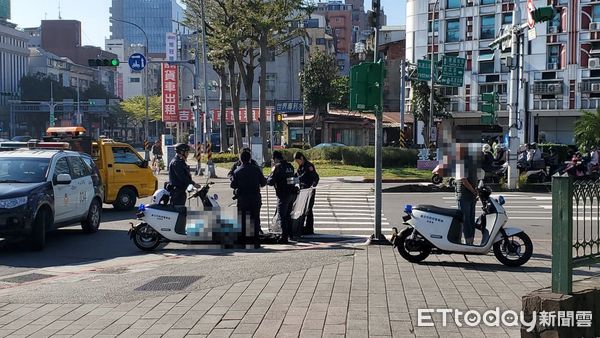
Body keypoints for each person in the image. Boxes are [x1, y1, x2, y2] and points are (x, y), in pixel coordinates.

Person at [231, 151, 267, 248]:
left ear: (241, 159)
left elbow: (233, 185)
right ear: (250, 158)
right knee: (255, 219)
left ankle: (243, 242)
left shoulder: (237, 171)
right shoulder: (256, 169)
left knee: (242, 220)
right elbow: (263, 182)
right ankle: (255, 242)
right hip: (255, 198)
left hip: (243, 199)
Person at [267, 151, 297, 244]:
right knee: (288, 215)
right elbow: (293, 179)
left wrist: (267, 178)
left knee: (282, 216)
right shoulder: (290, 166)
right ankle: (291, 234)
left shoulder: (277, 167)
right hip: (292, 194)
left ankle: (284, 237)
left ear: (275, 158)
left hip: (282, 194)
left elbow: (270, 182)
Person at [455, 144, 479, 245]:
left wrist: (473, 191)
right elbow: (476, 178)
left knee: (465, 219)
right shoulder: (473, 162)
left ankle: (467, 240)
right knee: (470, 218)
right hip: (472, 195)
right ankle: (471, 240)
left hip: (464, 195)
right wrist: (475, 190)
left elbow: (464, 180)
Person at [294, 151, 319, 235]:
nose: (297, 162)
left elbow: (316, 177)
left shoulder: (309, 166)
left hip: (309, 190)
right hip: (302, 190)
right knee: (303, 209)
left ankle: (309, 228)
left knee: (309, 209)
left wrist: (313, 186)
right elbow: (296, 176)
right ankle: (302, 227)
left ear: (301, 158)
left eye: (298, 160)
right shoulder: (300, 167)